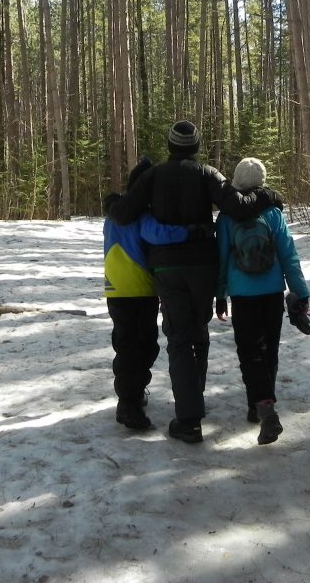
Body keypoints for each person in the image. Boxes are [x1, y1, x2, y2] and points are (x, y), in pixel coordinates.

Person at [107, 120, 281, 444]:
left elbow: (123, 213)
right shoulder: (208, 173)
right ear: (196, 146)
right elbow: (239, 207)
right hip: (203, 264)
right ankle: (192, 402)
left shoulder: (153, 175)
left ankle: (188, 419)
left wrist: (114, 202)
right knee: (197, 333)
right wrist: (266, 196)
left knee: (179, 338)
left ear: (170, 145)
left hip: (167, 269)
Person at [215, 157, 310, 446]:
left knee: (250, 352)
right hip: (271, 293)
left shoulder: (229, 216)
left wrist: (219, 295)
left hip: (242, 294)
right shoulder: (273, 213)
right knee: (269, 350)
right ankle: (261, 404)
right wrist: (300, 292)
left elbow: (221, 259)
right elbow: (288, 255)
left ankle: (262, 407)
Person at [102, 157, 189, 431]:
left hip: (115, 289)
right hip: (140, 288)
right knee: (143, 345)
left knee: (126, 343)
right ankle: (128, 401)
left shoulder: (115, 213)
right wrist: (190, 230)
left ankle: (132, 395)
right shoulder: (141, 214)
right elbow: (160, 234)